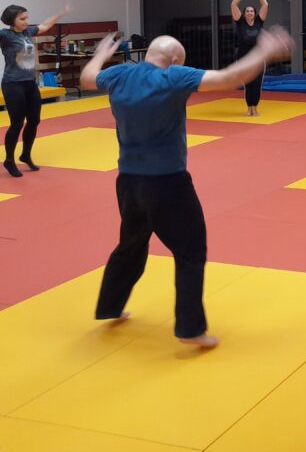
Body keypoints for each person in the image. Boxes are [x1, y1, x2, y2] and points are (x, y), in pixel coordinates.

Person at [80, 25, 294, 346]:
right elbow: (228, 78)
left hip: (128, 182)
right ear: (175, 61)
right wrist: (264, 51)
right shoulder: (173, 77)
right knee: (190, 251)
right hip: (167, 183)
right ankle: (191, 329)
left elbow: (87, 78)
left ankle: (110, 306)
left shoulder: (120, 74)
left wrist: (99, 56)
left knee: (131, 244)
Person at [1, 3, 71, 177]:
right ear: (12, 20)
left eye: (27, 18)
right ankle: (9, 160)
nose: (26, 21)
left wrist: (61, 13)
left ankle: (25, 154)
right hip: (13, 84)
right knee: (17, 123)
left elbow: (45, 25)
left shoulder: (27, 32)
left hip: (30, 83)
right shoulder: (5, 35)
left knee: (34, 120)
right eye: (22, 19)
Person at [230, 0, 269, 116]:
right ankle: (249, 107)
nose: (250, 13)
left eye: (252, 11)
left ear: (255, 13)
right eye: (247, 11)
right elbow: (233, 4)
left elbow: (265, 5)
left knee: (257, 84)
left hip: (258, 59)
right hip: (244, 59)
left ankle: (255, 107)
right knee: (248, 83)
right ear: (244, 13)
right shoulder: (240, 22)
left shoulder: (259, 22)